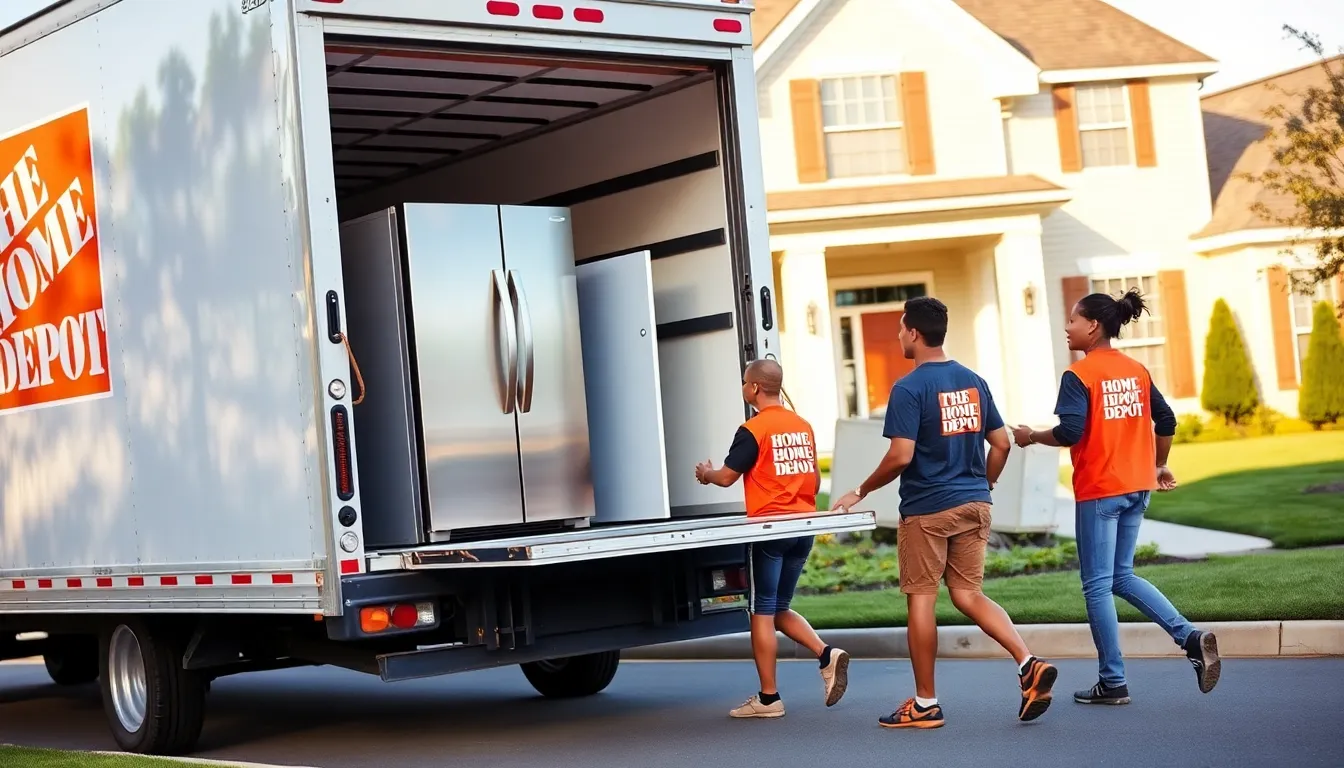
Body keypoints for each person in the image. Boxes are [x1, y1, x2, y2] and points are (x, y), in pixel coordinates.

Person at [831, 297, 1057, 729]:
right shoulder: (973, 381)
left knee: (922, 599)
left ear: (914, 333)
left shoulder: (909, 387)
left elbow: (900, 456)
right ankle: (1027, 662)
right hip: (975, 502)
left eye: (900, 329)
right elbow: (1003, 443)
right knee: (969, 595)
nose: (899, 335)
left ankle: (925, 703)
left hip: (927, 509)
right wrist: (984, 485)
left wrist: (859, 490)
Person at [1011, 289, 1220, 705]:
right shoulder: (1136, 370)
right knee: (1120, 577)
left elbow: (1071, 431)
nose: (1067, 327)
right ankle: (1190, 637)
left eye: (1072, 320)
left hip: (1101, 491)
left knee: (1096, 586)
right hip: (1137, 488)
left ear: (1093, 325)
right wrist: (1158, 464)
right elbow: (1167, 419)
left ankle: (1113, 680)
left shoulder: (1080, 375)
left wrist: (1031, 436)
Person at [695, 358, 849, 719]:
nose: (744, 388)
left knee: (761, 610)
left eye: (744, 383)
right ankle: (827, 655)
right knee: (779, 608)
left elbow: (727, 477)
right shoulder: (802, 426)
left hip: (770, 530)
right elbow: (813, 482)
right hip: (803, 529)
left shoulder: (753, 429)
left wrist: (706, 473)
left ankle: (768, 699)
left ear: (754, 388)